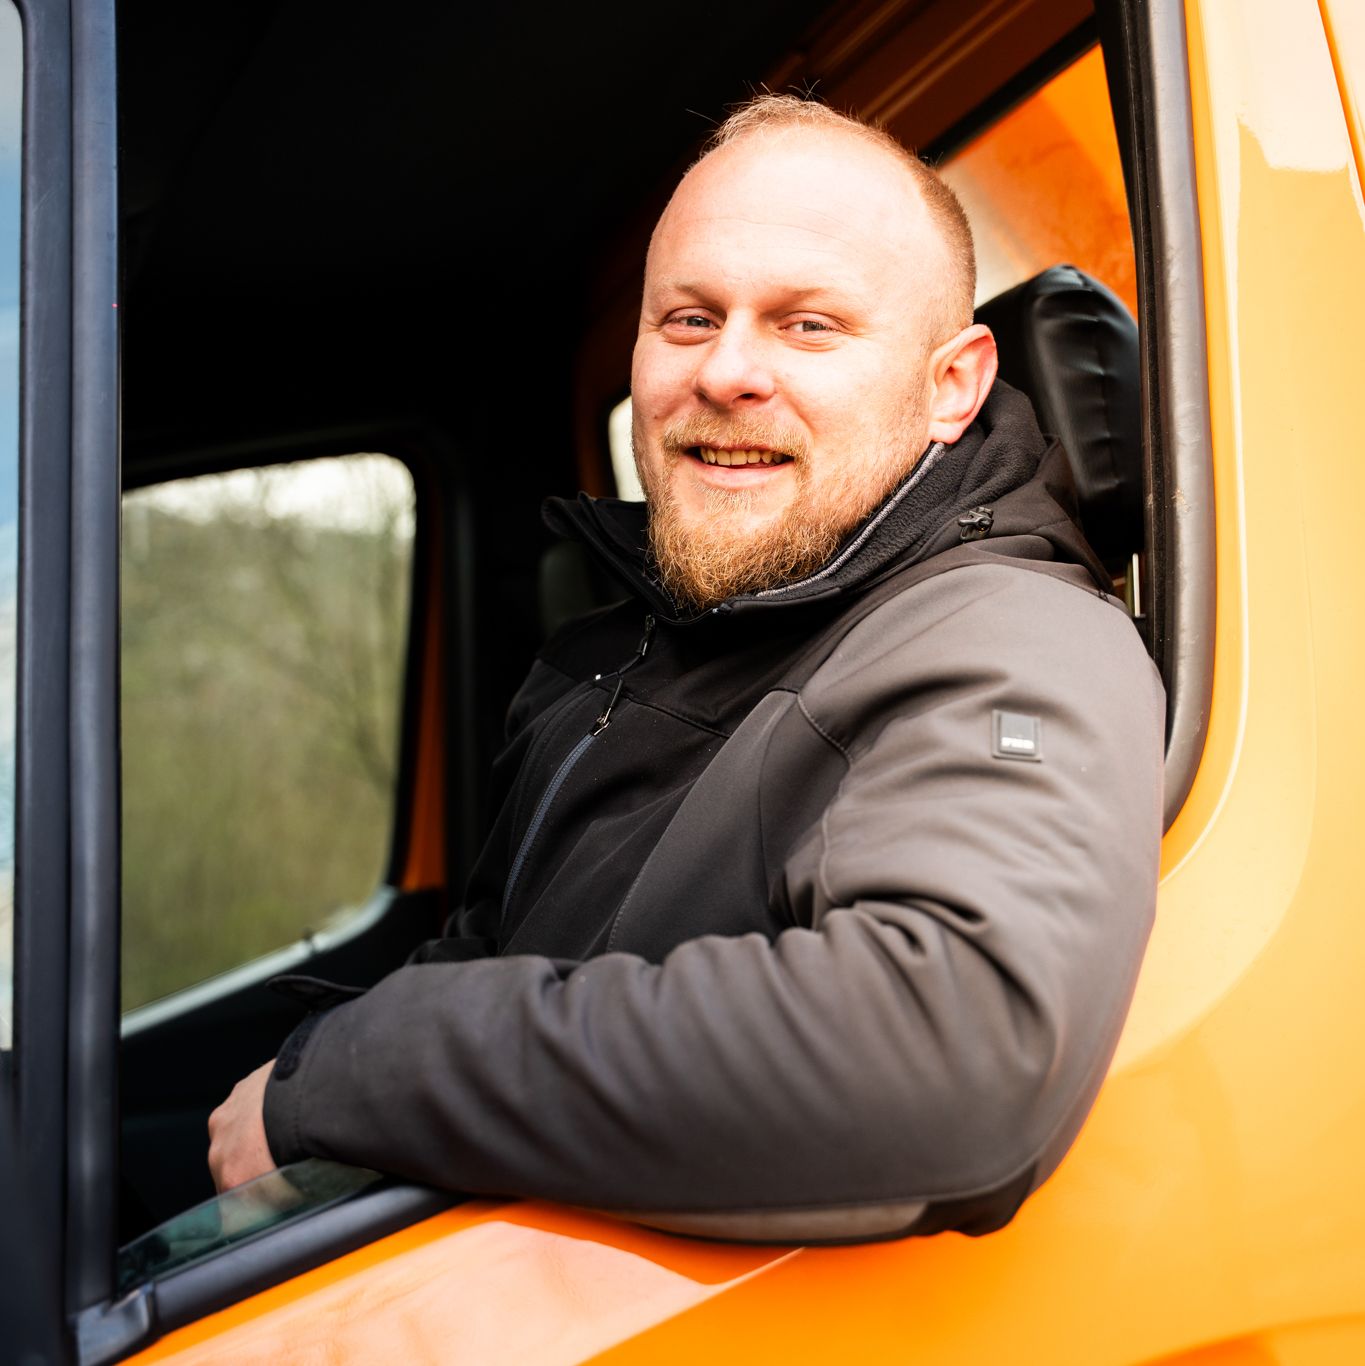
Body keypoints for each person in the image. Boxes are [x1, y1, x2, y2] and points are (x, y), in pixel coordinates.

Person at [209, 95, 1164, 1242]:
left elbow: (956, 1052)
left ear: (951, 385)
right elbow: (500, 950)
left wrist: (352, 1071)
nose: (728, 371)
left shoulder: (1010, 639)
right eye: (689, 318)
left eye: (808, 325)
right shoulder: (630, 642)